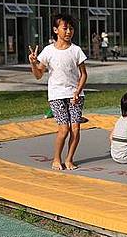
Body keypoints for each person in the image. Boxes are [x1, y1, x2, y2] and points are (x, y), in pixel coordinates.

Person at [29, 13, 88, 171]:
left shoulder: (76, 50)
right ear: (56, 30)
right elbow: (38, 75)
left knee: (75, 128)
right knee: (64, 129)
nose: (69, 31)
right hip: (56, 95)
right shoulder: (48, 51)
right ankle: (56, 158)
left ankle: (69, 159)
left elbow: (84, 74)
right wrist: (34, 64)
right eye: (65, 28)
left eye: (71, 28)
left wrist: (78, 91)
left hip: (75, 95)